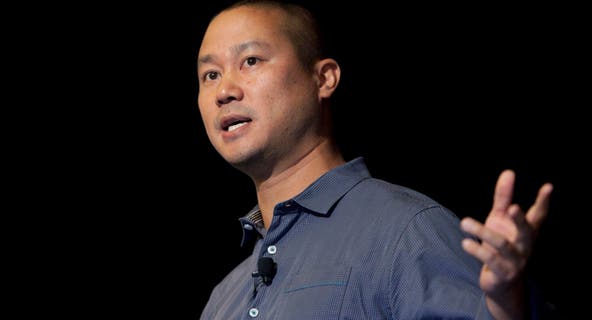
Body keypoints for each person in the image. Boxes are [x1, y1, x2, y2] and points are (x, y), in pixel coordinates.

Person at [195, 1, 553, 319]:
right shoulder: (224, 299)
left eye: (250, 61)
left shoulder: (407, 231)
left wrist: (507, 305)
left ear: (324, 78)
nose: (225, 91)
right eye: (210, 75)